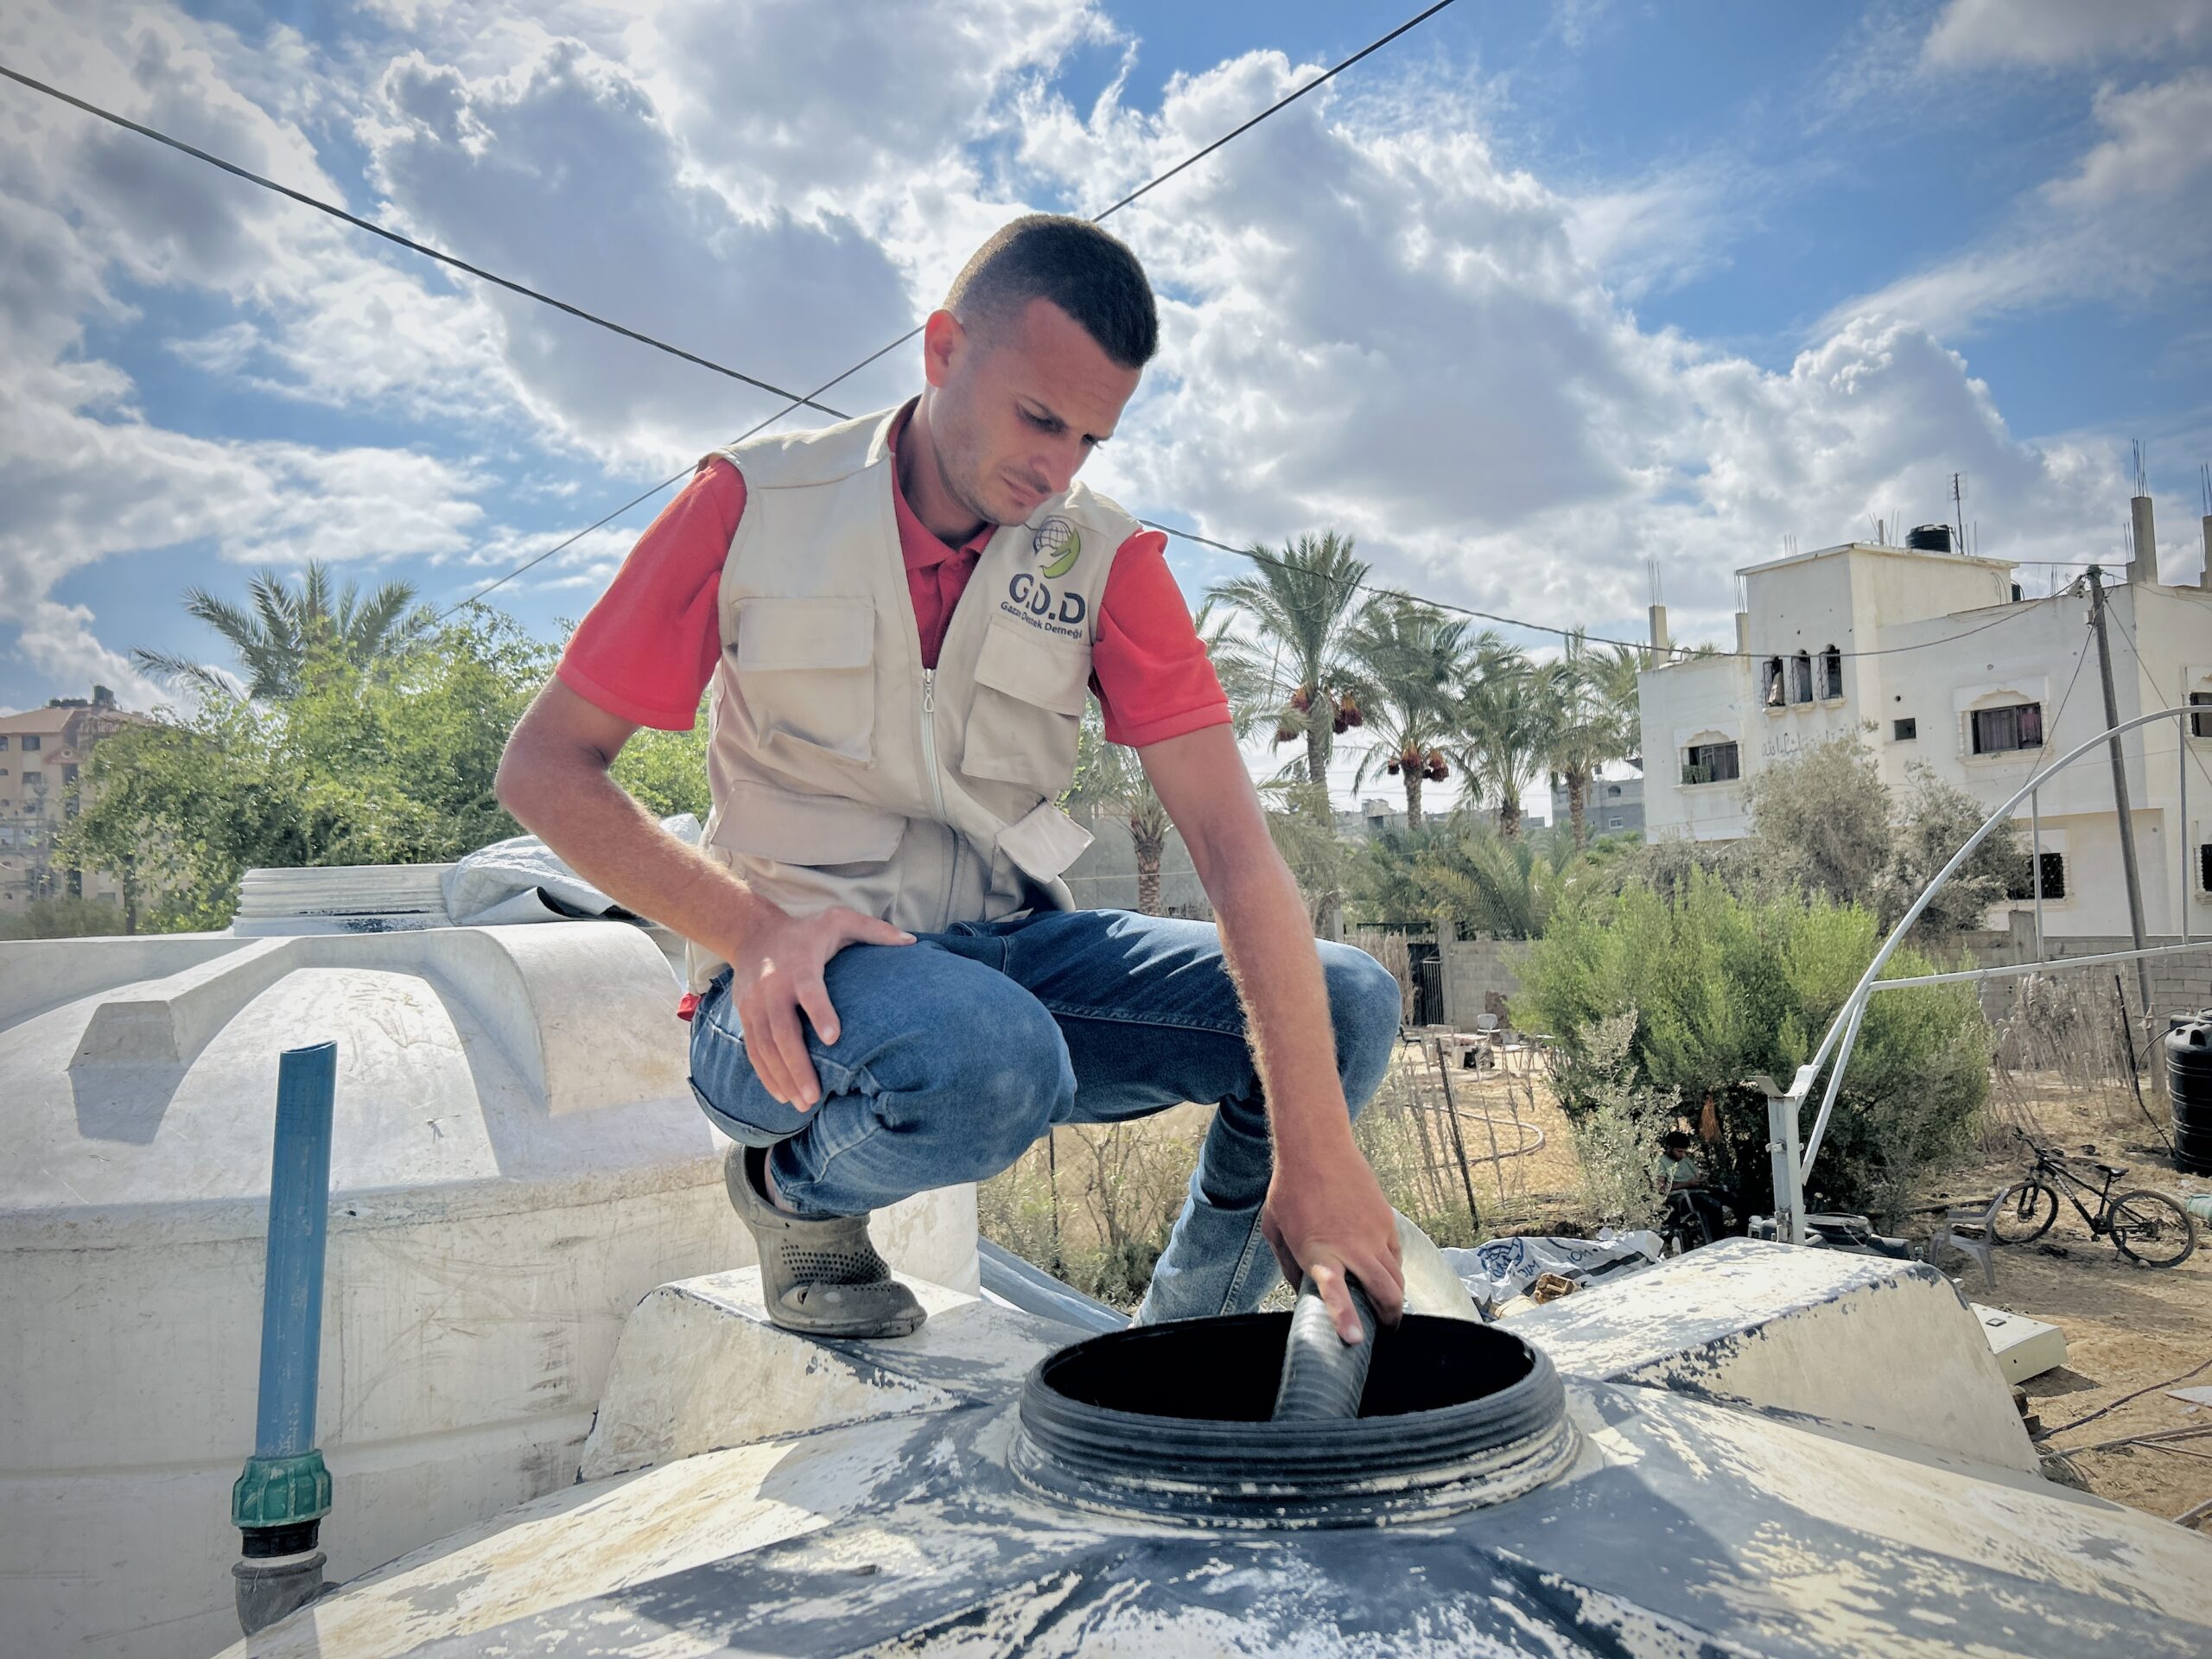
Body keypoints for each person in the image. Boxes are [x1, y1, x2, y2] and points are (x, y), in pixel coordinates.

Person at [496, 213, 1405, 1344]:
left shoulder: (1103, 559)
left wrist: (1318, 1151)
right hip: (792, 996)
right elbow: (545, 768)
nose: (1057, 468)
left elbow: (1232, 848)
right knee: (984, 1053)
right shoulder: (755, 504)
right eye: (1039, 418)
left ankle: (1181, 1348)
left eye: (1090, 439)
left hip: (1017, 965)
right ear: (942, 351)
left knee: (1348, 1001)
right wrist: (751, 932)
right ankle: (789, 1197)